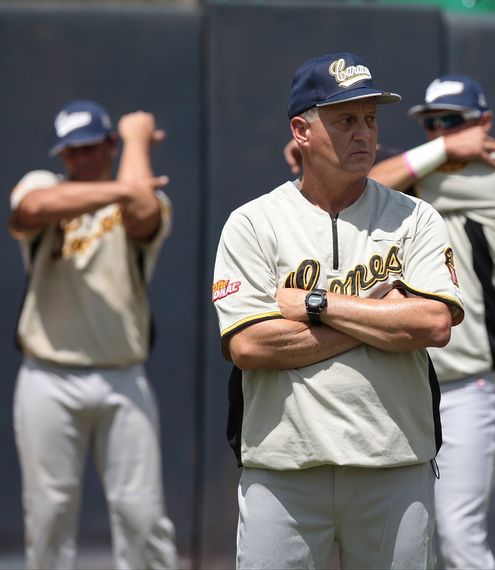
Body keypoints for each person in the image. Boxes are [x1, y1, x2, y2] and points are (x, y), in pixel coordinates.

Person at [211, 52, 464, 569]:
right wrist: (383, 315)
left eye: (370, 119)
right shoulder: (253, 222)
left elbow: (434, 323)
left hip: (393, 464)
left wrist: (316, 304)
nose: (364, 134)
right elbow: (249, 346)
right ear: (301, 131)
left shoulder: (414, 217)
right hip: (283, 470)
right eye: (346, 120)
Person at [364, 74, 495, 569]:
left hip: (467, 381)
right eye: (431, 123)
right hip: (406, 379)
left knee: (458, 536)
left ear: (485, 124)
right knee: (410, 539)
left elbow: (371, 183)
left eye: (451, 121)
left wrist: (437, 150)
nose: (440, 132)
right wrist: (449, 144)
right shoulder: (432, 167)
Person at [8, 100, 177, 569]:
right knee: (49, 514)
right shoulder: (46, 184)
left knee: (141, 514)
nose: (78, 159)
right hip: (48, 377)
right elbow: (32, 208)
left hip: (123, 377)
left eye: (88, 148)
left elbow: (143, 210)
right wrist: (125, 181)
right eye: (70, 151)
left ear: (109, 146)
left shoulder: (140, 196)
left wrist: (136, 139)